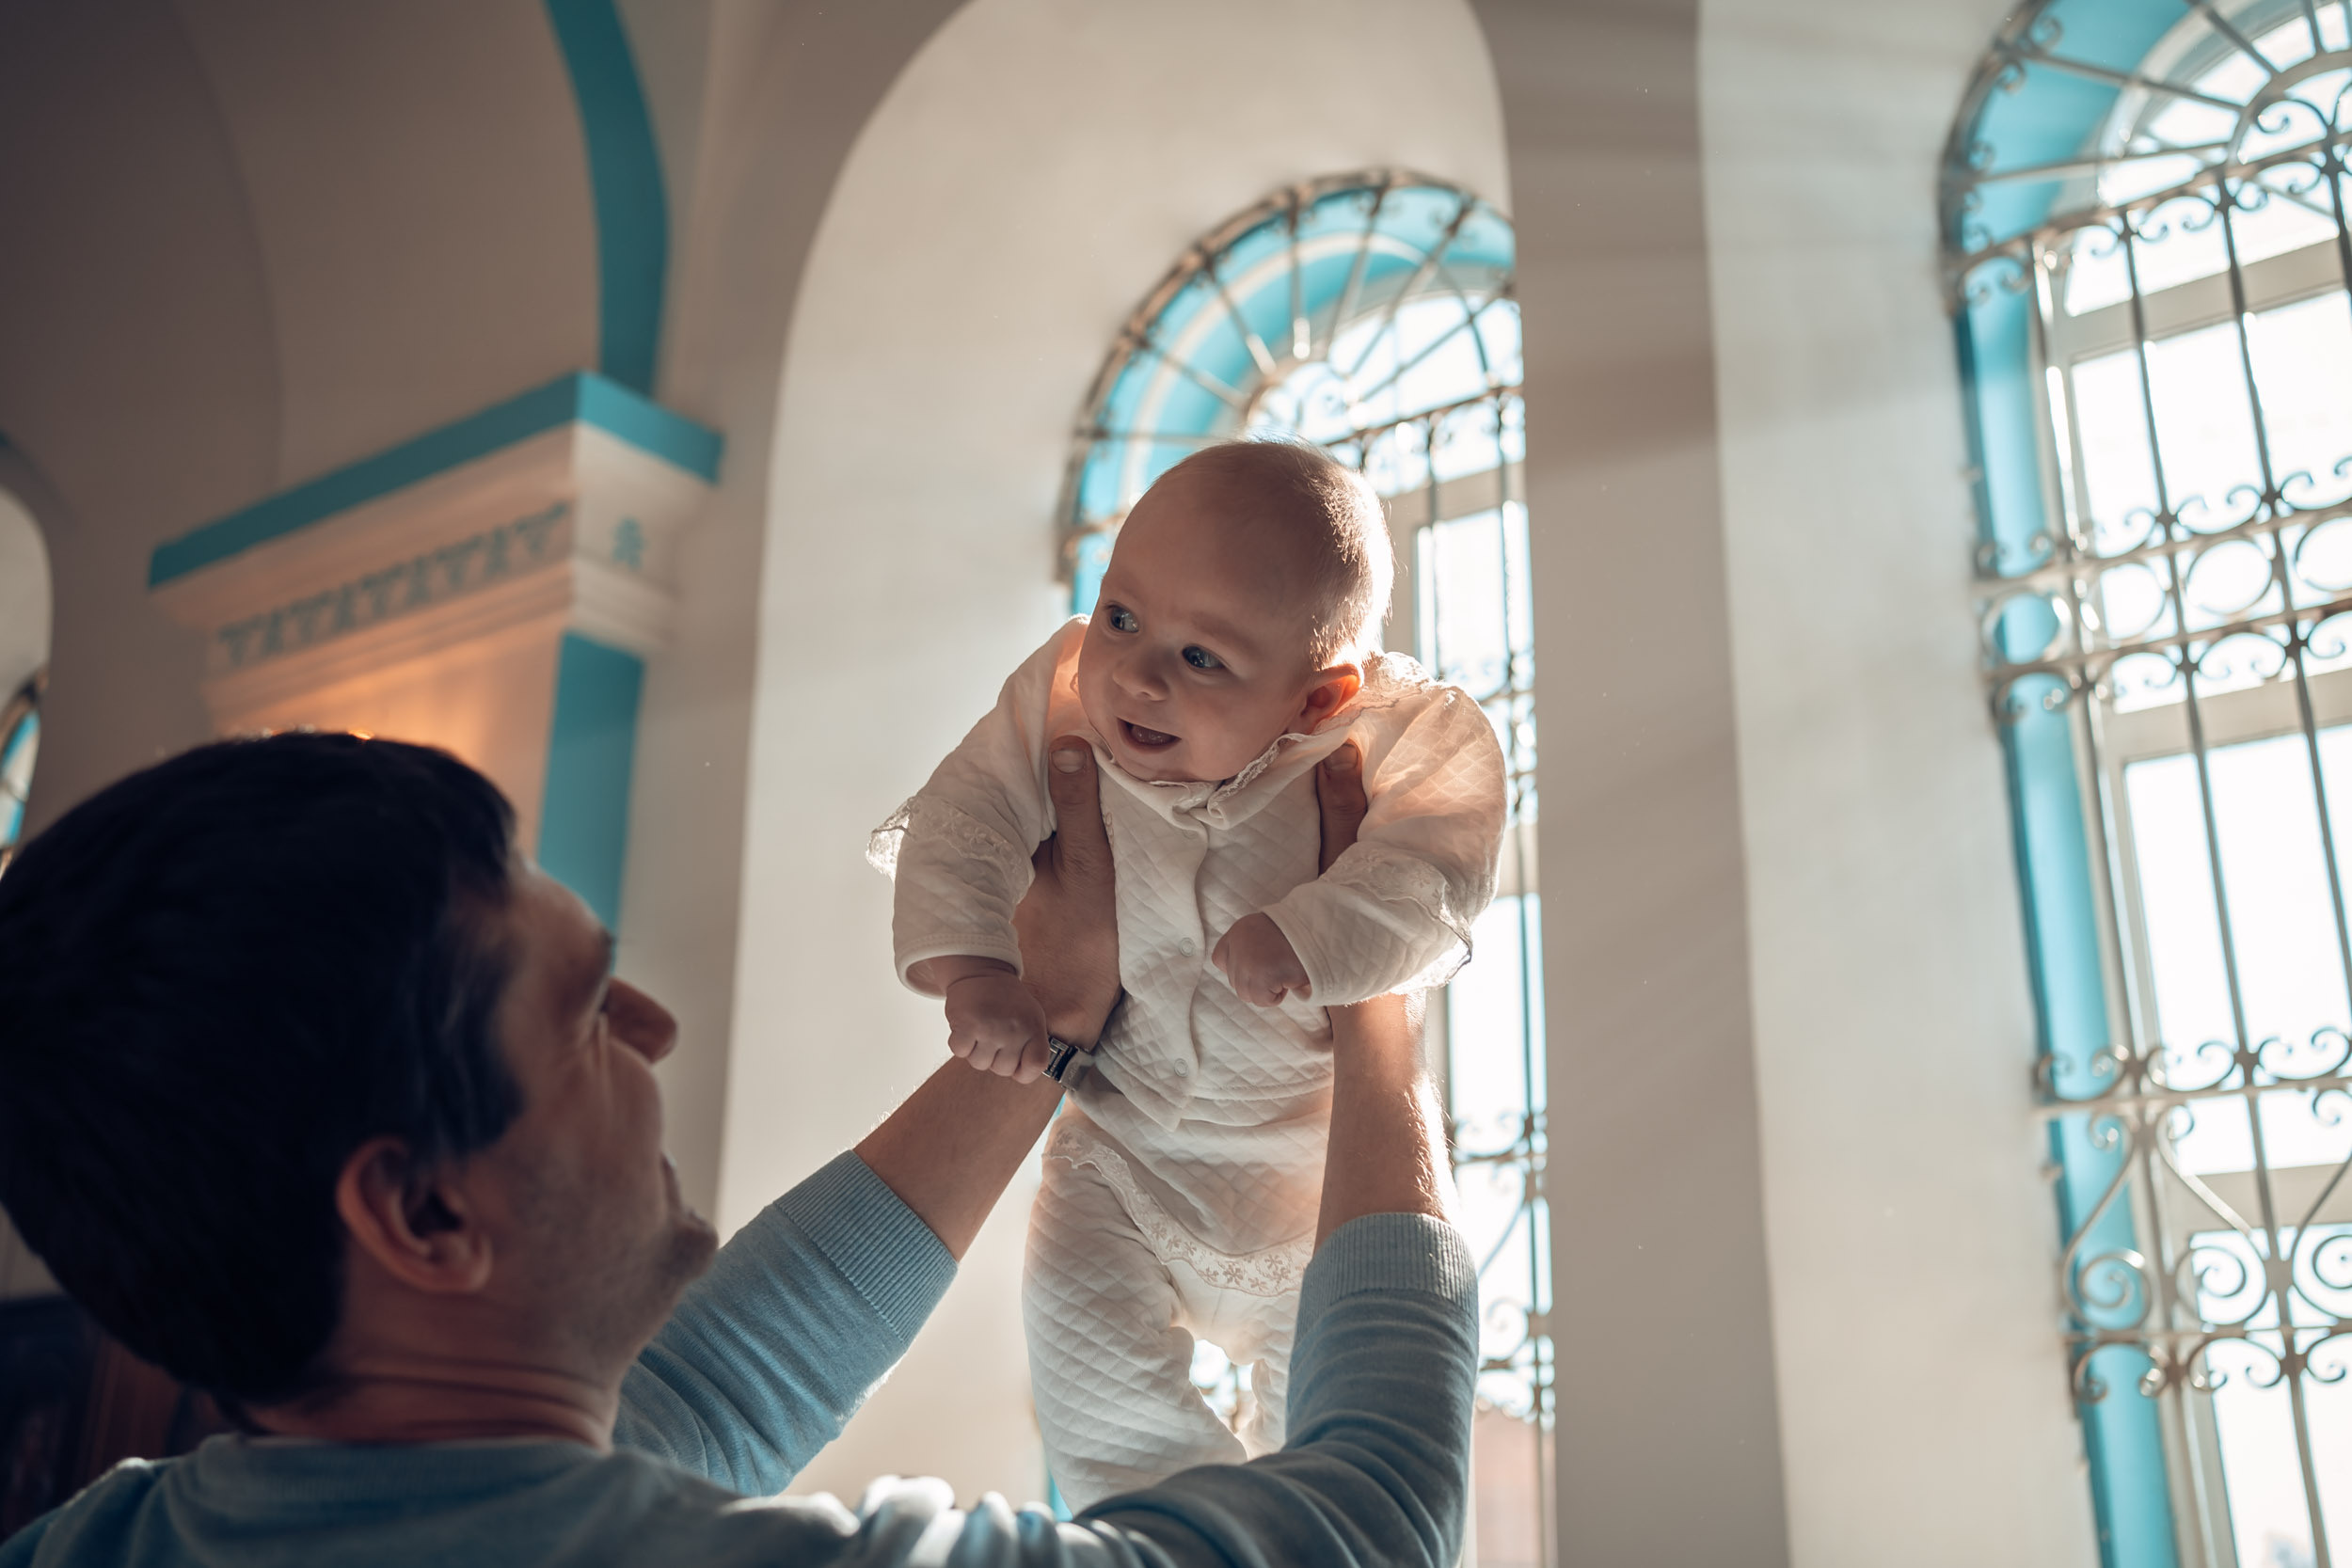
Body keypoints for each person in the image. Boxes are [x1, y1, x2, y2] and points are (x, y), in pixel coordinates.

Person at [0, 726, 1475, 1566]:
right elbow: (1376, 1511)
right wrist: (1377, 992)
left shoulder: (98, 1541)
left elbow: (707, 1387)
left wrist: (1059, 1025)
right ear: (423, 1215)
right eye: (581, 1015)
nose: (651, 1029)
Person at [868, 438, 1506, 1503]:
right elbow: (966, 813)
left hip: (1309, 1178)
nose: (1137, 672)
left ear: (1316, 698)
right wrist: (979, 963)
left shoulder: (1387, 737)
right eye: (1121, 615)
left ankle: (1279, 1521)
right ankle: (1170, 1529)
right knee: (1093, 1396)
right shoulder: (1065, 697)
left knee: (1326, 1436)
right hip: (1120, 1159)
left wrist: (1319, 928)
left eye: (1201, 657)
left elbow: (1437, 868)